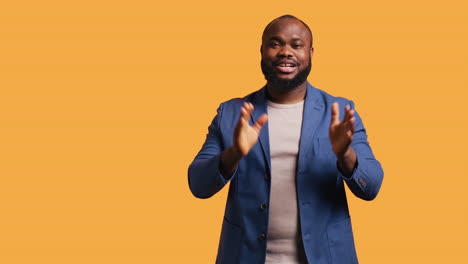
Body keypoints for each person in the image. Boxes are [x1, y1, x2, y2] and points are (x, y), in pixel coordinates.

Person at [188, 15, 384, 264]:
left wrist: (345, 154)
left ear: (311, 52)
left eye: (296, 45)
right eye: (275, 43)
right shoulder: (231, 113)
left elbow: (372, 187)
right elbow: (198, 185)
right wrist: (233, 154)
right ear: (262, 50)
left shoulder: (340, 112)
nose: (285, 52)